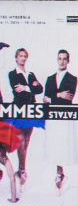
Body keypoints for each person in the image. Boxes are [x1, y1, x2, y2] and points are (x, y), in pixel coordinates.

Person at [41, 49, 77, 193]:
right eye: (59, 58)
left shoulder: (72, 78)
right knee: (54, 143)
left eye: (64, 59)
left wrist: (52, 97)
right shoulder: (50, 78)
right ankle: (58, 173)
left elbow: (69, 98)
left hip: (65, 116)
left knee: (63, 143)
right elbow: (45, 98)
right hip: (52, 116)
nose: (61, 61)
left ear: (68, 61)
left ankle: (60, 174)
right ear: (57, 60)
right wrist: (58, 95)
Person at [6, 48, 43, 188]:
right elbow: (17, 90)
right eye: (20, 56)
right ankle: (22, 170)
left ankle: (21, 170)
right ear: (16, 58)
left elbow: (40, 90)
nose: (23, 58)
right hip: (20, 110)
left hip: (32, 110)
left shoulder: (30, 74)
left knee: (27, 141)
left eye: (25, 56)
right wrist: (31, 88)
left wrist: (27, 88)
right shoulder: (12, 74)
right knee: (20, 139)